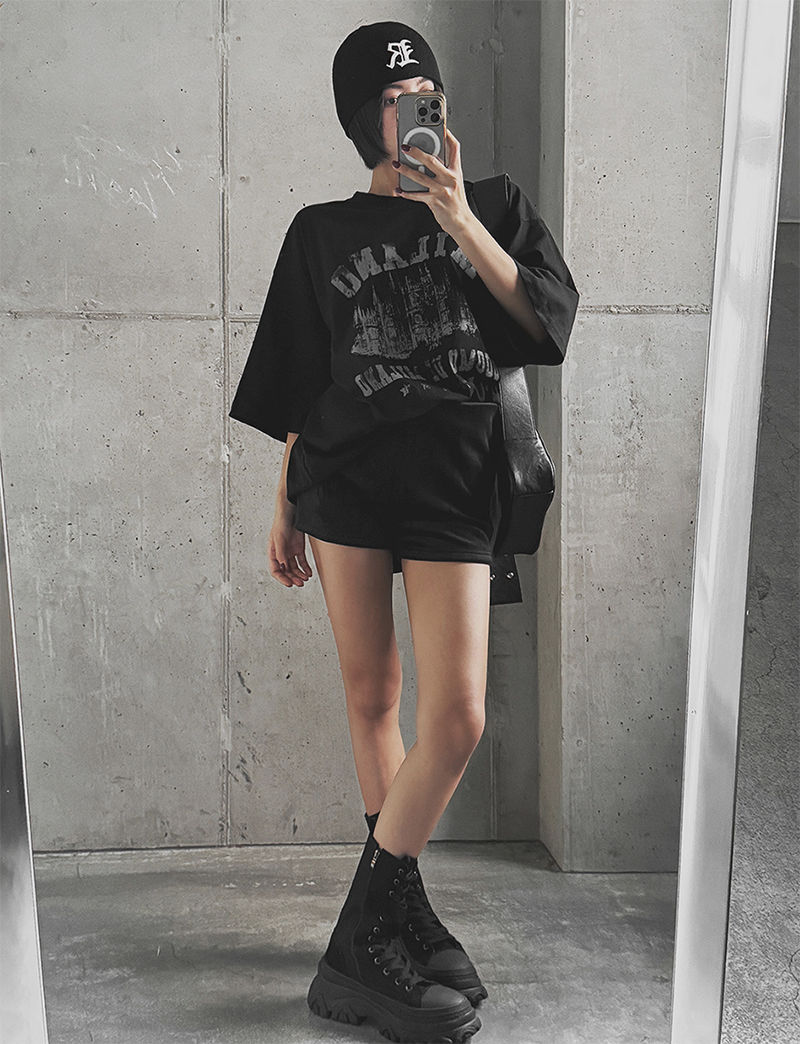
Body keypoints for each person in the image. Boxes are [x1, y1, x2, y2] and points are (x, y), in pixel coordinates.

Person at [229, 21, 579, 1044]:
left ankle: (362, 934)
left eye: (425, 88)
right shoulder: (318, 232)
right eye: (392, 97)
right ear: (360, 119)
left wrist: (457, 216)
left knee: (457, 716)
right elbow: (303, 384)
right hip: (344, 484)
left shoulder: (493, 205)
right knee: (373, 695)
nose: (415, 106)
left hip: (452, 484)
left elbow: (545, 324)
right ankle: (397, 920)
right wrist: (283, 502)